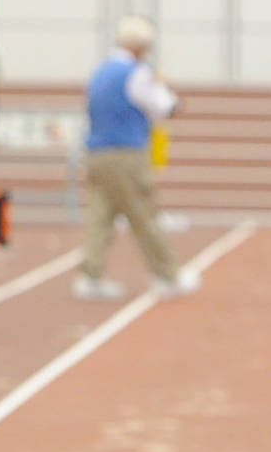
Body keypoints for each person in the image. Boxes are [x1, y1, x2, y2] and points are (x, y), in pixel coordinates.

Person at [80, 16, 192, 301]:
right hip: (125, 153)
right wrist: (169, 93)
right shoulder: (137, 73)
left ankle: (90, 275)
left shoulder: (99, 72)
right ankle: (167, 275)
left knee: (100, 216)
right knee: (145, 214)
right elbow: (162, 107)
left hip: (96, 152)